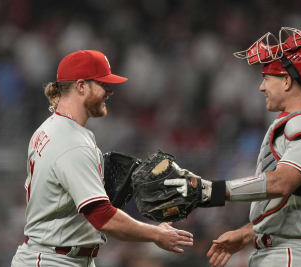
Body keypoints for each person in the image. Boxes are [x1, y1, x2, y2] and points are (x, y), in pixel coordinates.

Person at [165, 27, 301, 267]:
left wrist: (211, 190)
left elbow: (281, 183)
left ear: (287, 81)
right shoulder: (298, 124)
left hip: (294, 254)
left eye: (267, 78)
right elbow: (292, 201)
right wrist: (251, 232)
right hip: (284, 250)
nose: (261, 87)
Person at [11, 50, 193, 267]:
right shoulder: (71, 142)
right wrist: (156, 234)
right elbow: (102, 216)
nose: (110, 91)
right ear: (81, 86)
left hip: (59, 256)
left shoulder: (51, 128)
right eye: (102, 84)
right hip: (54, 260)